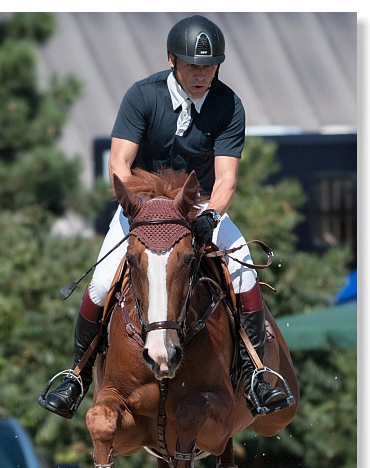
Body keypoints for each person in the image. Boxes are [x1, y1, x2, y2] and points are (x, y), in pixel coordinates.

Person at [39, 14, 288, 420]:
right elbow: (119, 162)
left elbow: (225, 179)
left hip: (198, 206)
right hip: (143, 209)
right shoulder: (143, 95)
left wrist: (212, 216)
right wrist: (134, 204)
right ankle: (78, 376)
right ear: (172, 59)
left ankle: (256, 374)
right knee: (102, 283)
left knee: (243, 274)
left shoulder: (228, 105)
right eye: (192, 65)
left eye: (208, 66)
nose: (201, 74)